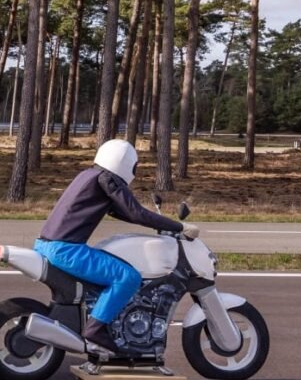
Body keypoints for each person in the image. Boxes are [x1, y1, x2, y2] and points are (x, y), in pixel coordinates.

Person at [33, 139, 200, 353]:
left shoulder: (90, 175)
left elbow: (123, 212)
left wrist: (159, 222)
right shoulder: (107, 179)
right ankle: (95, 329)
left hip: (47, 245)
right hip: (66, 250)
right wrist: (179, 226)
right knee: (127, 277)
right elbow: (135, 212)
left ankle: (103, 320)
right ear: (126, 162)